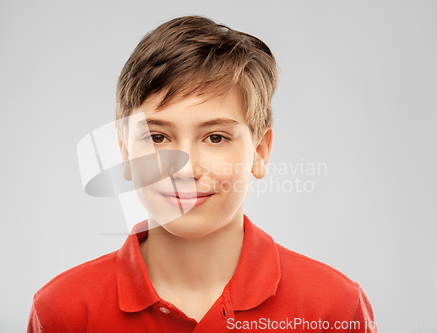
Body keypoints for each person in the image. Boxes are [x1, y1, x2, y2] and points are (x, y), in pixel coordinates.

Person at [27, 15, 377, 332]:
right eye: (158, 137)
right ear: (125, 153)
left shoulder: (333, 309)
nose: (186, 170)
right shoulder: (63, 312)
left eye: (215, 137)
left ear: (259, 151)